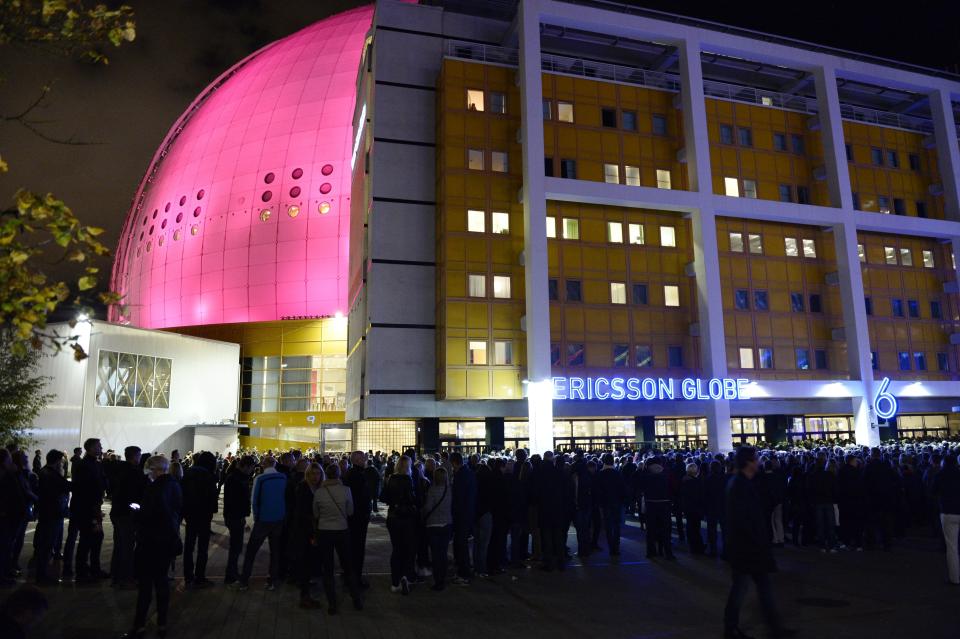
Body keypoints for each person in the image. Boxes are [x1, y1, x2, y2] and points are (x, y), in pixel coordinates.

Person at [723, 447, 794, 639]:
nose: (759, 462)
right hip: (748, 548)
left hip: (747, 547)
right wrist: (759, 544)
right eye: (756, 459)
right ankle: (734, 628)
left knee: (755, 588)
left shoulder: (741, 483)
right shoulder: (740, 485)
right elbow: (745, 520)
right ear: (749, 462)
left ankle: (771, 627)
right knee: (746, 588)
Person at [122, 455, 181, 639]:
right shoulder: (175, 485)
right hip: (168, 541)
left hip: (150, 542)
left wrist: (138, 511)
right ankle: (162, 624)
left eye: (149, 469)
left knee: (146, 585)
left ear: (156, 469)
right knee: (162, 582)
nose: (147, 472)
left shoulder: (155, 488)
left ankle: (139, 625)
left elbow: (151, 515)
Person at [313, 463, 362, 613]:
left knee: (328, 568)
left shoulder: (319, 492)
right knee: (348, 566)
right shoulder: (346, 490)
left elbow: (316, 514)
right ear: (339, 474)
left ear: (326, 475)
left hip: (324, 531)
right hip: (342, 530)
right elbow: (350, 511)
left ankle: (332, 603)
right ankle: (356, 599)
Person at [237, 455, 287, 591]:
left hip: (263, 520)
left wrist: (254, 520)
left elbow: (254, 501)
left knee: (251, 552)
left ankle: (244, 581)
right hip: (279, 519)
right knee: (275, 552)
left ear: (264, 465)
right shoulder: (283, 478)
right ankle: (272, 581)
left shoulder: (259, 479)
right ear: (275, 464)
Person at [70, 438, 108, 582]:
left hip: (92, 507)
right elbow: (85, 489)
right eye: (99, 445)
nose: (101, 447)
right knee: (88, 538)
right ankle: (83, 570)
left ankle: (92, 568)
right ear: (91, 448)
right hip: (87, 508)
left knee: (95, 537)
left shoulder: (94, 464)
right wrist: (94, 508)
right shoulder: (85, 465)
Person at [180, 451, 218, 587]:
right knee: (202, 548)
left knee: (189, 546)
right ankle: (200, 577)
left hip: (190, 514)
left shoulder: (188, 473)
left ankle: (188, 576)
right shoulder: (208, 476)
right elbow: (212, 497)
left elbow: (182, 493)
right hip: (203, 515)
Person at [381, 454, 418, 594]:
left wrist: (394, 502)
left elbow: (383, 496)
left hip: (393, 517)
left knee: (396, 549)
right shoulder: (409, 479)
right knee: (408, 549)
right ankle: (406, 576)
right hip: (407, 518)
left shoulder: (391, 479)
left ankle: (395, 581)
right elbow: (413, 499)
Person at [33, 450, 70, 585]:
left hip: (50, 514)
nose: (62, 463)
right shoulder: (50, 474)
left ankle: (42, 574)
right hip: (51, 514)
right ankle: (42, 576)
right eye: (61, 461)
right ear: (57, 461)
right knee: (47, 546)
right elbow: (63, 488)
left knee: (47, 546)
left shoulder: (46, 472)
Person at [109, 446, 143, 588]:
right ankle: (126, 578)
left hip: (117, 511)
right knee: (127, 547)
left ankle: (116, 576)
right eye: (139, 455)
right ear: (135, 456)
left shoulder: (119, 470)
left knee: (119, 546)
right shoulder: (133, 472)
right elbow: (133, 494)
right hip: (126, 514)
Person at [293, 463, 323, 608]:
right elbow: (300, 511)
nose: (315, 476)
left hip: (316, 529)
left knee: (310, 561)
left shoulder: (320, 488)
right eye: (312, 473)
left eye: (318, 473)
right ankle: (304, 596)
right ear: (307, 474)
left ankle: (306, 590)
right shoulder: (303, 488)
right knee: (305, 561)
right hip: (305, 530)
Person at [222, 456, 254, 585]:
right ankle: (231, 576)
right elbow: (237, 500)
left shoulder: (234, 477)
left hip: (234, 516)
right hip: (235, 516)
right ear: (245, 466)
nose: (252, 471)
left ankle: (231, 574)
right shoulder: (237, 479)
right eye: (251, 468)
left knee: (236, 547)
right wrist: (242, 517)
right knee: (236, 547)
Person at [342, 451, 372, 588]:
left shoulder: (349, 474)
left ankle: (349, 575)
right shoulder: (359, 475)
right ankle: (355, 579)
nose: (365, 460)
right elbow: (363, 497)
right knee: (358, 549)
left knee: (351, 548)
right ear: (358, 460)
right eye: (363, 458)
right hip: (358, 517)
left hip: (352, 516)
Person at [423, 466, 452, 590]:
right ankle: (443, 578)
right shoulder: (450, 490)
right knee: (443, 553)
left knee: (435, 554)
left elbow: (428, 508)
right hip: (446, 524)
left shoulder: (432, 490)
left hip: (433, 525)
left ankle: (437, 580)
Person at [932, 452, 960, 585]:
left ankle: (955, 578)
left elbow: (933, 491)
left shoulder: (940, 475)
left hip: (948, 512)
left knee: (952, 547)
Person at [450, 451, 476, 584]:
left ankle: (464, 573)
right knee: (462, 544)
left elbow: (458, 499)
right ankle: (463, 571)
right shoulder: (469, 473)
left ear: (454, 463)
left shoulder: (460, 476)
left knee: (461, 545)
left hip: (461, 516)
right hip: (467, 514)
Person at [595, 453, 626, 556]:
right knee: (616, 525)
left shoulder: (600, 474)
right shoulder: (617, 473)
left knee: (608, 525)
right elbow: (622, 489)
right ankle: (616, 547)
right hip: (616, 502)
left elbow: (598, 490)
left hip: (605, 503)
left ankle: (611, 546)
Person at [680, 462, 706, 555]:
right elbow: (701, 497)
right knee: (696, 528)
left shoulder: (684, 481)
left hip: (688, 508)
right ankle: (698, 547)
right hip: (696, 508)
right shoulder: (697, 482)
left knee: (691, 527)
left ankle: (693, 547)